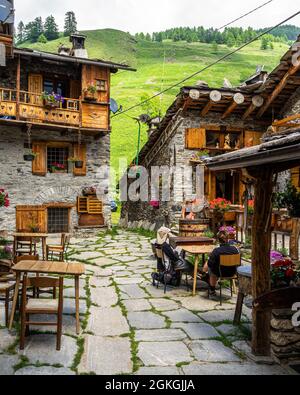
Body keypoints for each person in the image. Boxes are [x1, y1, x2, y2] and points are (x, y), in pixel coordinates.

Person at [203, 230, 240, 297]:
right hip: (232, 273)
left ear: (218, 240)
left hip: (219, 273)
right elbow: (238, 263)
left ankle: (212, 290)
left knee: (210, 268)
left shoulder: (216, 250)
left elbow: (210, 264)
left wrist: (209, 259)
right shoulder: (235, 249)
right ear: (228, 239)